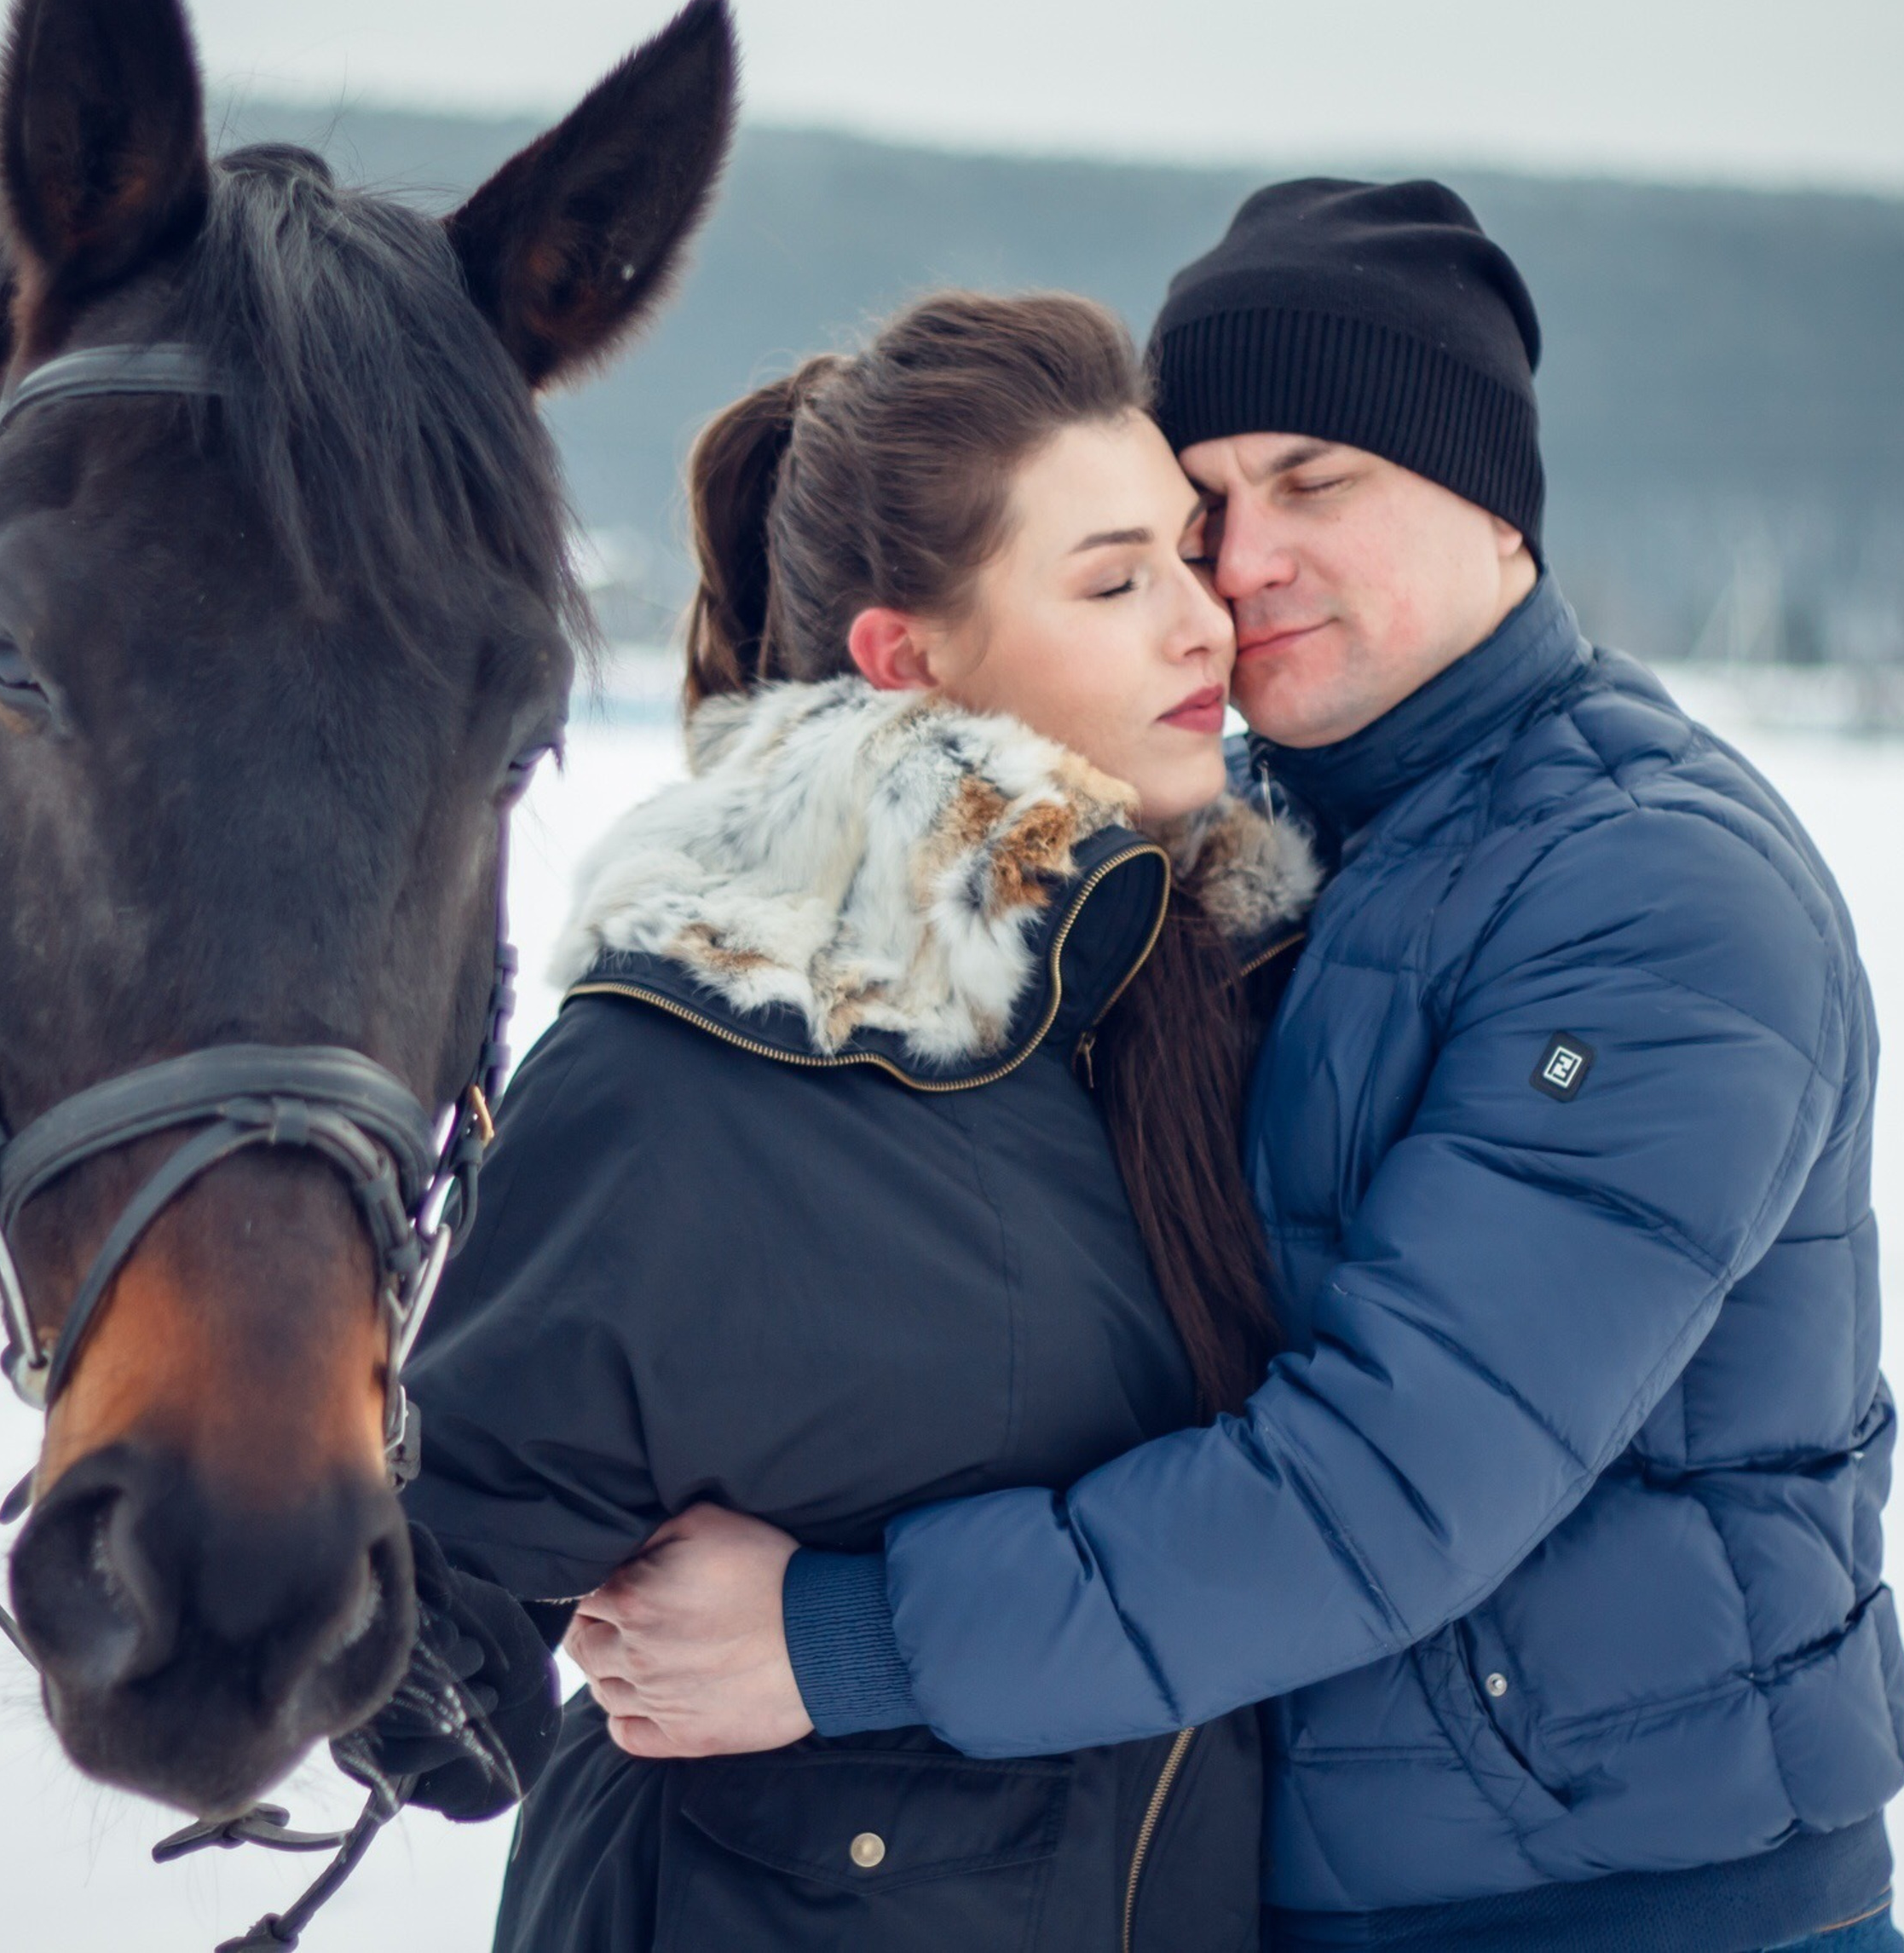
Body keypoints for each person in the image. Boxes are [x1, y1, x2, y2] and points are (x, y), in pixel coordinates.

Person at [563, 181, 1904, 1953]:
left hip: (1627, 1905)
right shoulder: (1251, 849)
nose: (1241, 556)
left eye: (1314, 479)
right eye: (1201, 505)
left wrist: (835, 1634)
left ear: (1491, 495)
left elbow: (1388, 1472)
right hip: (1278, 1881)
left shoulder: (1649, 892)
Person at [395, 289, 1318, 1951]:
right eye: (1114, 580)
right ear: (909, 658)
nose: (1204, 623)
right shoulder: (696, 1056)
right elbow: (421, 1623)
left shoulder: (1171, 991)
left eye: (1189, 556)